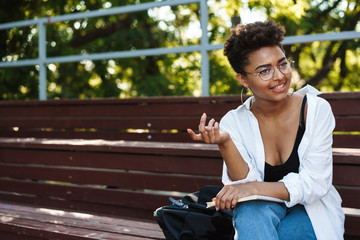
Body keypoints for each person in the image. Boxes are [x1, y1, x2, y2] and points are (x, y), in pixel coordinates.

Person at [187, 19, 344, 240]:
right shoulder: (233, 122)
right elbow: (241, 189)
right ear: (242, 79)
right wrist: (225, 143)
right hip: (261, 211)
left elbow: (315, 184)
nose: (279, 76)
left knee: (281, 234)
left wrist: (253, 189)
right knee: (250, 213)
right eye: (264, 71)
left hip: (312, 210)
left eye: (282, 64)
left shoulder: (316, 110)